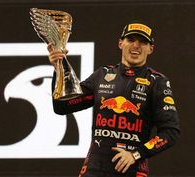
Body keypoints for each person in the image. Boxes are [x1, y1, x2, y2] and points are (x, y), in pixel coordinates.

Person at [47, 21, 180, 177]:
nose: (136, 46)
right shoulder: (102, 75)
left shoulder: (157, 82)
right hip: (94, 170)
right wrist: (58, 69)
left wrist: (136, 154)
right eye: (131, 40)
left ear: (150, 49)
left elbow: (170, 132)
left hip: (132, 170)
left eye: (143, 42)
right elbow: (62, 106)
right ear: (120, 43)